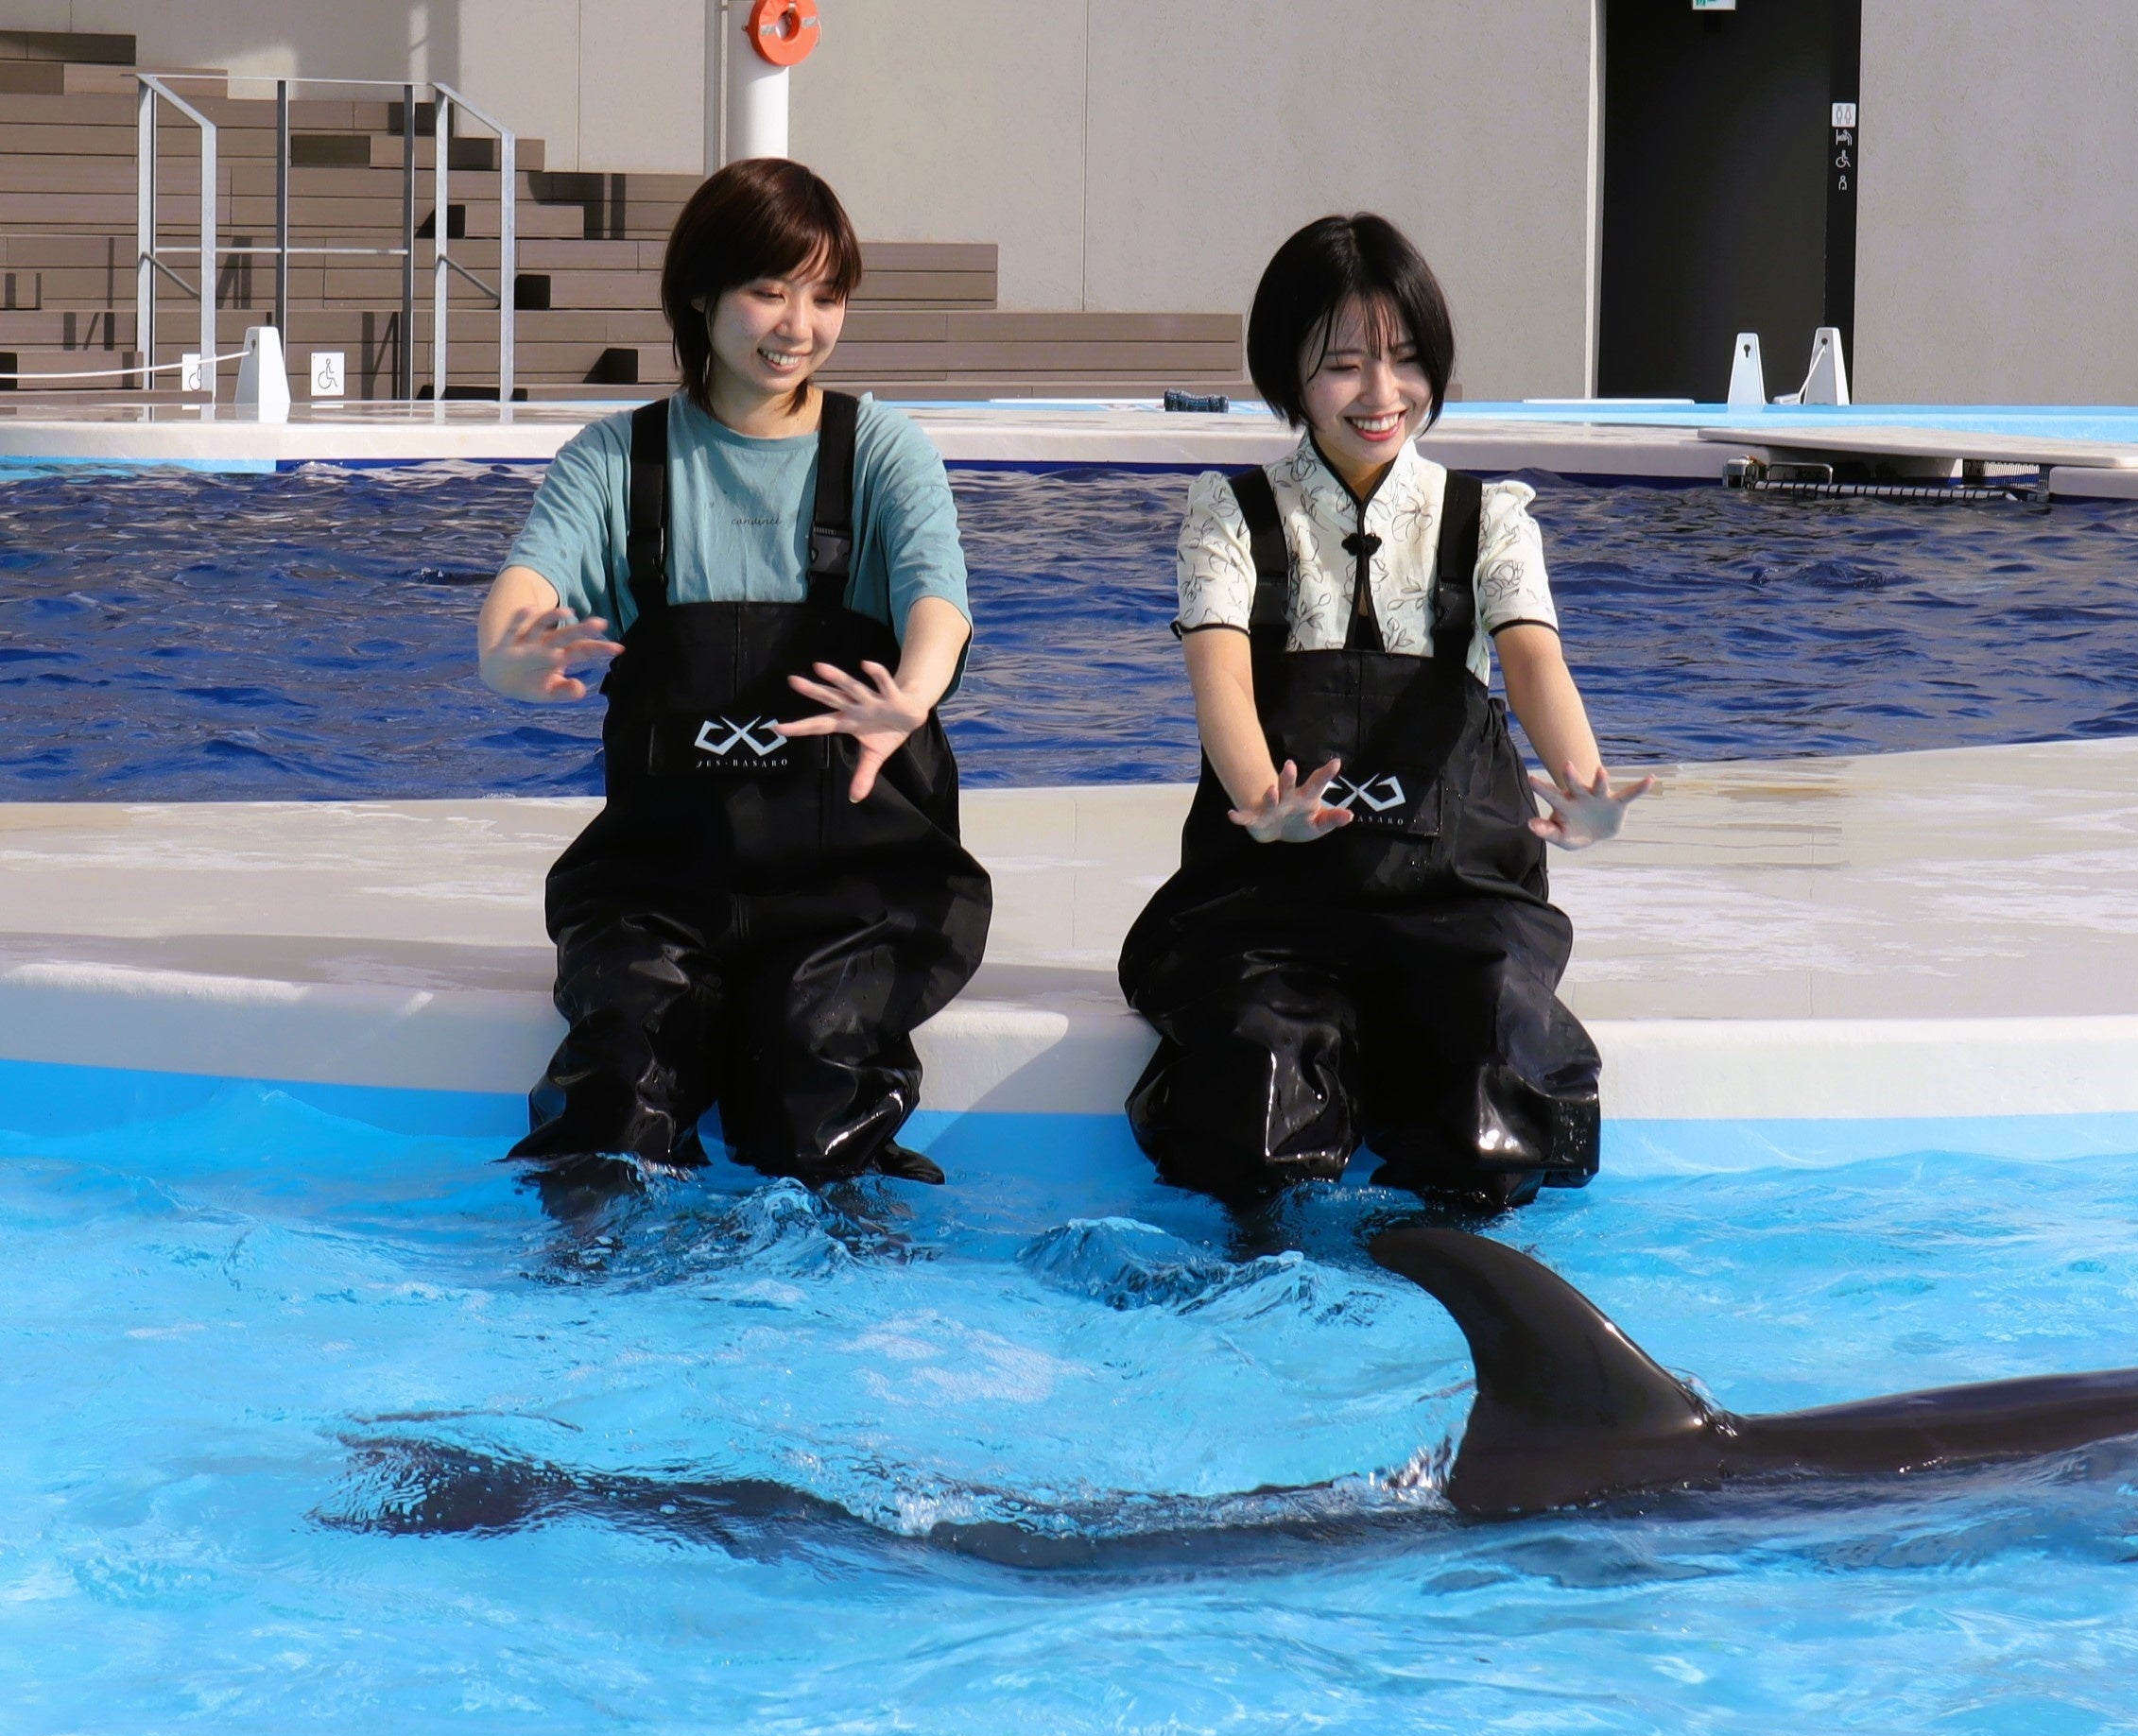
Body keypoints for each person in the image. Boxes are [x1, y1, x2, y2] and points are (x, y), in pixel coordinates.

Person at [1118, 213, 1651, 1212]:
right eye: (1344, 365)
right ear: (1289, 372)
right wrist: (1261, 803)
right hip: (1267, 899)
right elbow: (1220, 679)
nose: (1380, 394)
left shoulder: (1487, 517)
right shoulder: (1228, 514)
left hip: (1455, 894)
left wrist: (1582, 784)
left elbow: (1533, 661)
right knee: (1255, 1090)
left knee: (1493, 1076)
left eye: (1405, 360)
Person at [477, 158, 990, 1187]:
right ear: (701, 293)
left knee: (819, 1102)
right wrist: (509, 652)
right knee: (615, 1092)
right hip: (662, 881)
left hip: (854, 884)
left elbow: (938, 594)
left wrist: (912, 693)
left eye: (825, 293)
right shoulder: (618, 460)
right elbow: (529, 580)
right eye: (768, 288)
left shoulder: (882, 451)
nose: (797, 323)